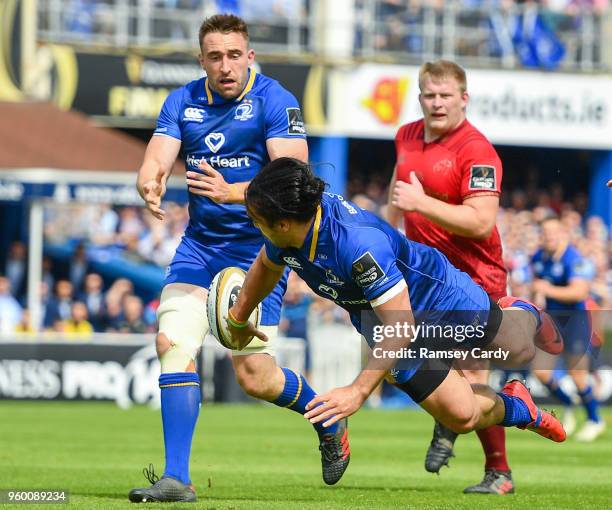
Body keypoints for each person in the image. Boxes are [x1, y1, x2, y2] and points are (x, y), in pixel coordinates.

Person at [129, 14, 349, 503]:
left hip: (259, 252)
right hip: (199, 246)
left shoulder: (276, 101)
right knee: (171, 338)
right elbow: (157, 155)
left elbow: (295, 183)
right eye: (215, 56)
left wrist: (235, 194)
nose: (225, 65)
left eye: (234, 55)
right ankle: (176, 479)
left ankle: (330, 417)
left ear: (249, 56)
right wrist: (150, 180)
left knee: (255, 377)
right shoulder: (182, 101)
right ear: (201, 59)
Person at [226, 158, 566, 459]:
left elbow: (401, 327)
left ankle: (522, 309)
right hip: (381, 321)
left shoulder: (357, 245)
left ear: (282, 224)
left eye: (257, 220)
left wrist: (357, 391)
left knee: (519, 350)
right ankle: (521, 407)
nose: (255, 225)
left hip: (436, 298)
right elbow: (267, 266)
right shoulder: (288, 230)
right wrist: (239, 317)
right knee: (462, 417)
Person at [387, 59, 514, 494]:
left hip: (476, 275)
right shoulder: (405, 135)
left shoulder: (477, 151)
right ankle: (449, 418)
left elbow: (481, 222)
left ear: (464, 99)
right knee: (400, 357)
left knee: (474, 371)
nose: (436, 103)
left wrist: (420, 204)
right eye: (429, 95)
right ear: (420, 97)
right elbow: (397, 191)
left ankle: (499, 472)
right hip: (424, 276)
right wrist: (386, 236)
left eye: (445, 96)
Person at [530, 216, 606, 442]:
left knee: (578, 376)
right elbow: (536, 285)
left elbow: (579, 292)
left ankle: (595, 419)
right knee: (541, 373)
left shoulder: (574, 258)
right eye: (545, 233)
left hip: (575, 322)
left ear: (562, 234)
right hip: (552, 321)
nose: (549, 237)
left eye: (553, 233)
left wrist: (546, 289)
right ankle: (567, 404)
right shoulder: (537, 257)